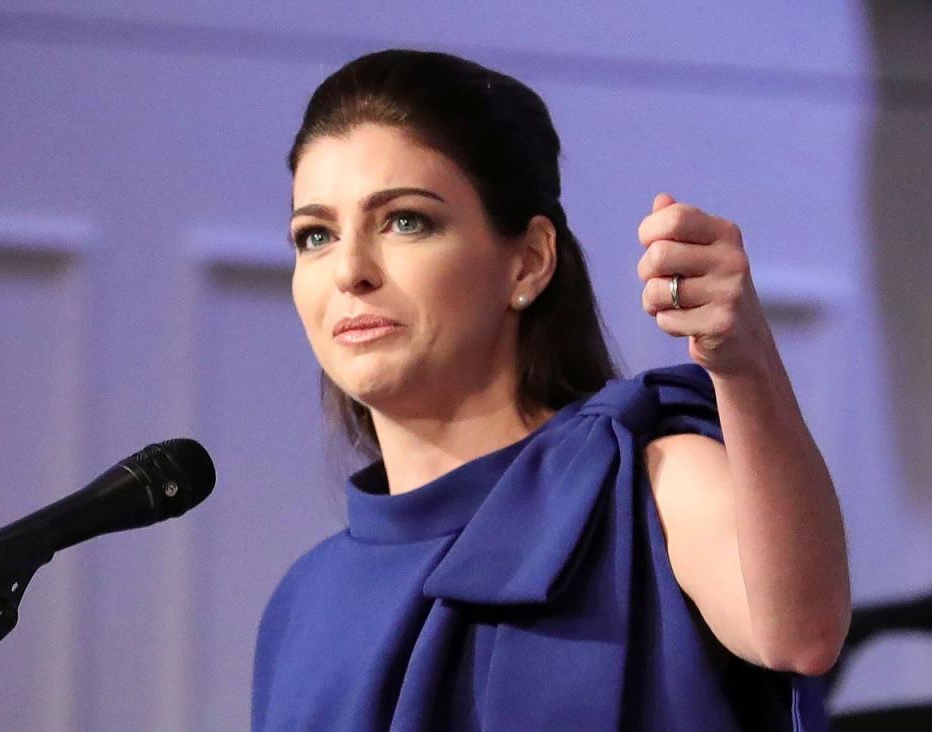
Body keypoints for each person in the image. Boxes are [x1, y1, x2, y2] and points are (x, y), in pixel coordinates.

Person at [252, 49, 850, 731]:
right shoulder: (301, 605)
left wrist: (745, 365)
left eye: (405, 221)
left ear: (529, 261)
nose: (349, 270)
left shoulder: (648, 481)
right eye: (315, 235)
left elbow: (802, 632)